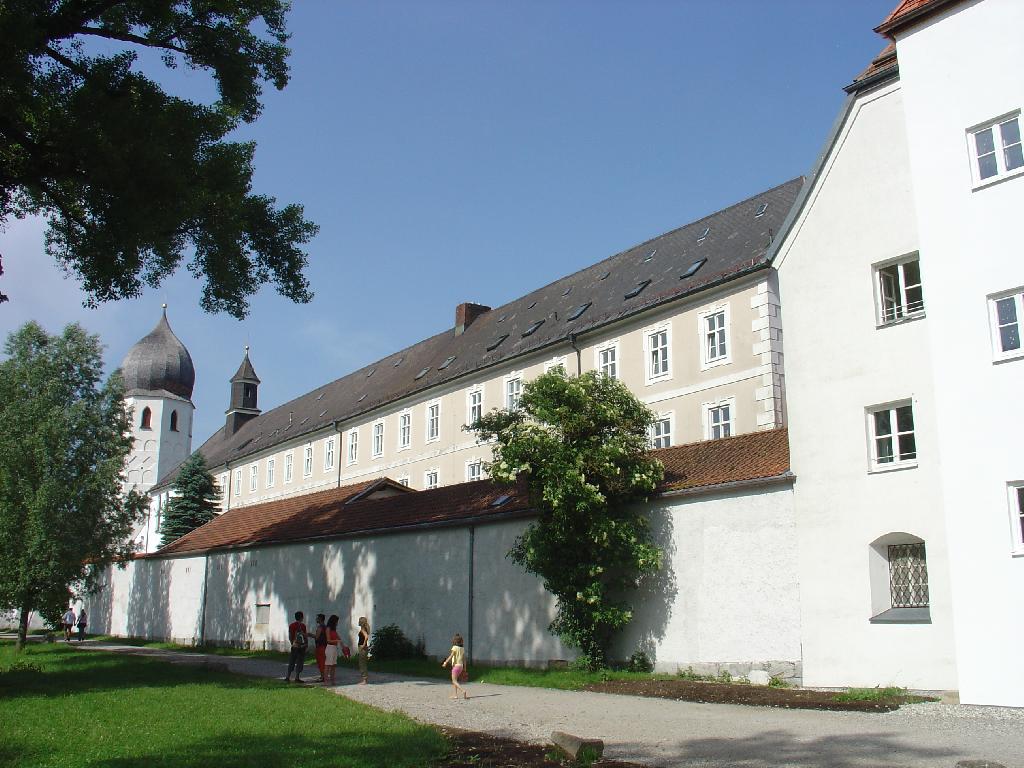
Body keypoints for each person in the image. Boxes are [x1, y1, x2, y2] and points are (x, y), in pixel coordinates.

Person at [441, 633, 469, 700]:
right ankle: (455, 695)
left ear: (455, 641)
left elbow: (451, 656)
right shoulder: (462, 649)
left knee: (454, 681)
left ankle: (463, 691)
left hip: (456, 666)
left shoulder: (454, 648)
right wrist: (465, 668)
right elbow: (464, 659)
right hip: (461, 666)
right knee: (455, 680)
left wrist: (445, 662)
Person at [285, 611, 308, 682]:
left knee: (292, 661)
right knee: (299, 661)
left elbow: (290, 635)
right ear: (301, 617)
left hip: (294, 645)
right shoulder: (303, 626)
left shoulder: (291, 625)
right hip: (301, 646)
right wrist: (306, 644)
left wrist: (292, 642)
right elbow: (305, 636)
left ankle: (288, 676)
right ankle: (297, 677)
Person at [324, 614, 340, 686]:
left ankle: (332, 680)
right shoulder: (328, 629)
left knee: (333, 665)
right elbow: (328, 640)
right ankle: (326, 681)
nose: (337, 623)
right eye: (336, 621)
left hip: (334, 647)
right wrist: (337, 641)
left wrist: (340, 643)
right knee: (328, 665)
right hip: (330, 647)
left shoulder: (334, 630)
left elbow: (339, 638)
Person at [313, 613, 327, 682]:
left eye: (317, 618)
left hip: (320, 646)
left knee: (320, 662)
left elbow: (316, 637)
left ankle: (322, 677)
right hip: (325, 646)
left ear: (320, 619)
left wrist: (309, 635)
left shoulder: (320, 627)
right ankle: (324, 676)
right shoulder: (325, 627)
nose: (316, 619)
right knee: (323, 661)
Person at [356, 616, 370, 685]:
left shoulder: (362, 630)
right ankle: (364, 679)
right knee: (363, 663)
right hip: (363, 648)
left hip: (362, 648)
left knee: (362, 664)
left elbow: (366, 637)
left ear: (361, 622)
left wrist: (363, 645)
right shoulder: (363, 629)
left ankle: (364, 679)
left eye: (359, 621)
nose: (358, 622)